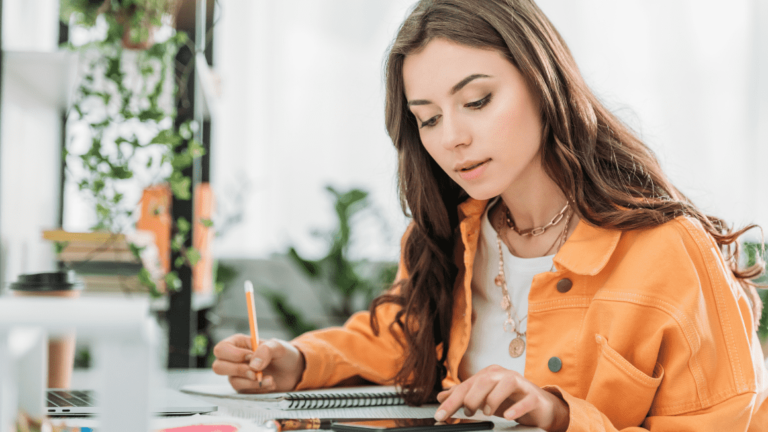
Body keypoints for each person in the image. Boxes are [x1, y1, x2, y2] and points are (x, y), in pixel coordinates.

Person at [211, 1, 768, 430]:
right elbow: (400, 334)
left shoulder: (669, 250)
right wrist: (297, 360)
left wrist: (558, 415)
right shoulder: (452, 233)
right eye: (427, 119)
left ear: (543, 81)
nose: (452, 138)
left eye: (476, 101)